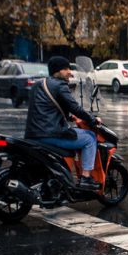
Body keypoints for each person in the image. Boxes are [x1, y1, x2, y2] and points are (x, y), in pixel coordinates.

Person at [25, 56, 103, 190]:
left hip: (32, 134)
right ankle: (86, 178)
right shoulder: (60, 85)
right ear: (57, 71)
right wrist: (92, 119)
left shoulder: (38, 84)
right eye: (66, 69)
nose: (70, 72)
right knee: (90, 138)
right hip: (51, 135)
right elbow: (75, 107)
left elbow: (47, 108)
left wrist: (70, 117)